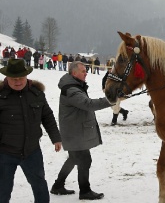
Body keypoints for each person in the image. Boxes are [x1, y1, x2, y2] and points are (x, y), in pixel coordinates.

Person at [0, 59, 62, 203]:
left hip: (32, 151)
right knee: (3, 189)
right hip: (5, 153)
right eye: (13, 79)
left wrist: (56, 138)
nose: (17, 82)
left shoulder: (36, 93)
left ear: (26, 76)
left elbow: (47, 116)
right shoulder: (1, 96)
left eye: (21, 78)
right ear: (7, 78)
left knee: (39, 184)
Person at [51, 61, 112, 200]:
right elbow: (88, 104)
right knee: (84, 159)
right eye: (83, 71)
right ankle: (85, 191)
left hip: (74, 130)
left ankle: (58, 186)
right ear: (74, 73)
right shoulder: (72, 90)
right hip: (74, 132)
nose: (86, 73)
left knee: (74, 159)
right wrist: (111, 99)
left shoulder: (74, 86)